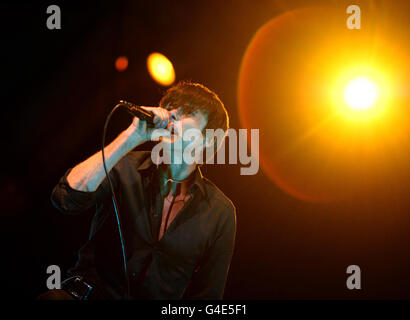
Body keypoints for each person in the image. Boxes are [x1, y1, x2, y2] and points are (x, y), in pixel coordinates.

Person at [44, 81, 236, 300]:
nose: (172, 116)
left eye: (187, 113)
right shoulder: (126, 166)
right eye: (170, 108)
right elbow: (66, 199)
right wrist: (132, 136)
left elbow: (208, 296)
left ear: (209, 138)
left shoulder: (220, 212)